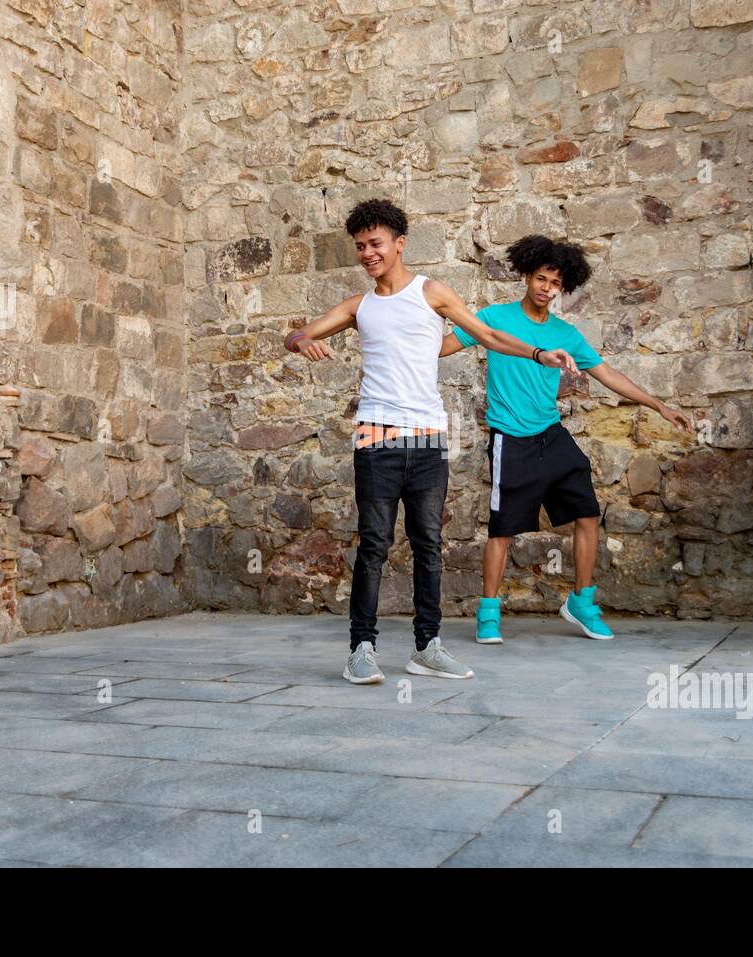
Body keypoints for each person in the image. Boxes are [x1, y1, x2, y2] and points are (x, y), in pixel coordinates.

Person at [286, 201, 580, 684]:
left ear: (400, 244)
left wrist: (538, 353)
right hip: (376, 441)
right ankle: (361, 648)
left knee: (428, 545)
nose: (367, 253)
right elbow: (294, 334)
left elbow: (486, 333)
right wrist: (302, 343)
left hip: (426, 441)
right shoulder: (359, 307)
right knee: (375, 545)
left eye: (375, 244)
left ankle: (428, 647)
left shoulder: (432, 293)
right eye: (360, 247)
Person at [438, 234, 693, 644]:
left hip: (551, 436)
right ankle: (488, 613)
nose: (546, 289)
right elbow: (443, 346)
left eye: (555, 284)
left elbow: (608, 375)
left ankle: (582, 601)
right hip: (512, 439)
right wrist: (407, 329)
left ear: (564, 287)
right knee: (502, 529)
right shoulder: (494, 318)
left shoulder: (567, 334)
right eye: (541, 279)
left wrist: (658, 405)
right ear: (527, 275)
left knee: (588, 514)